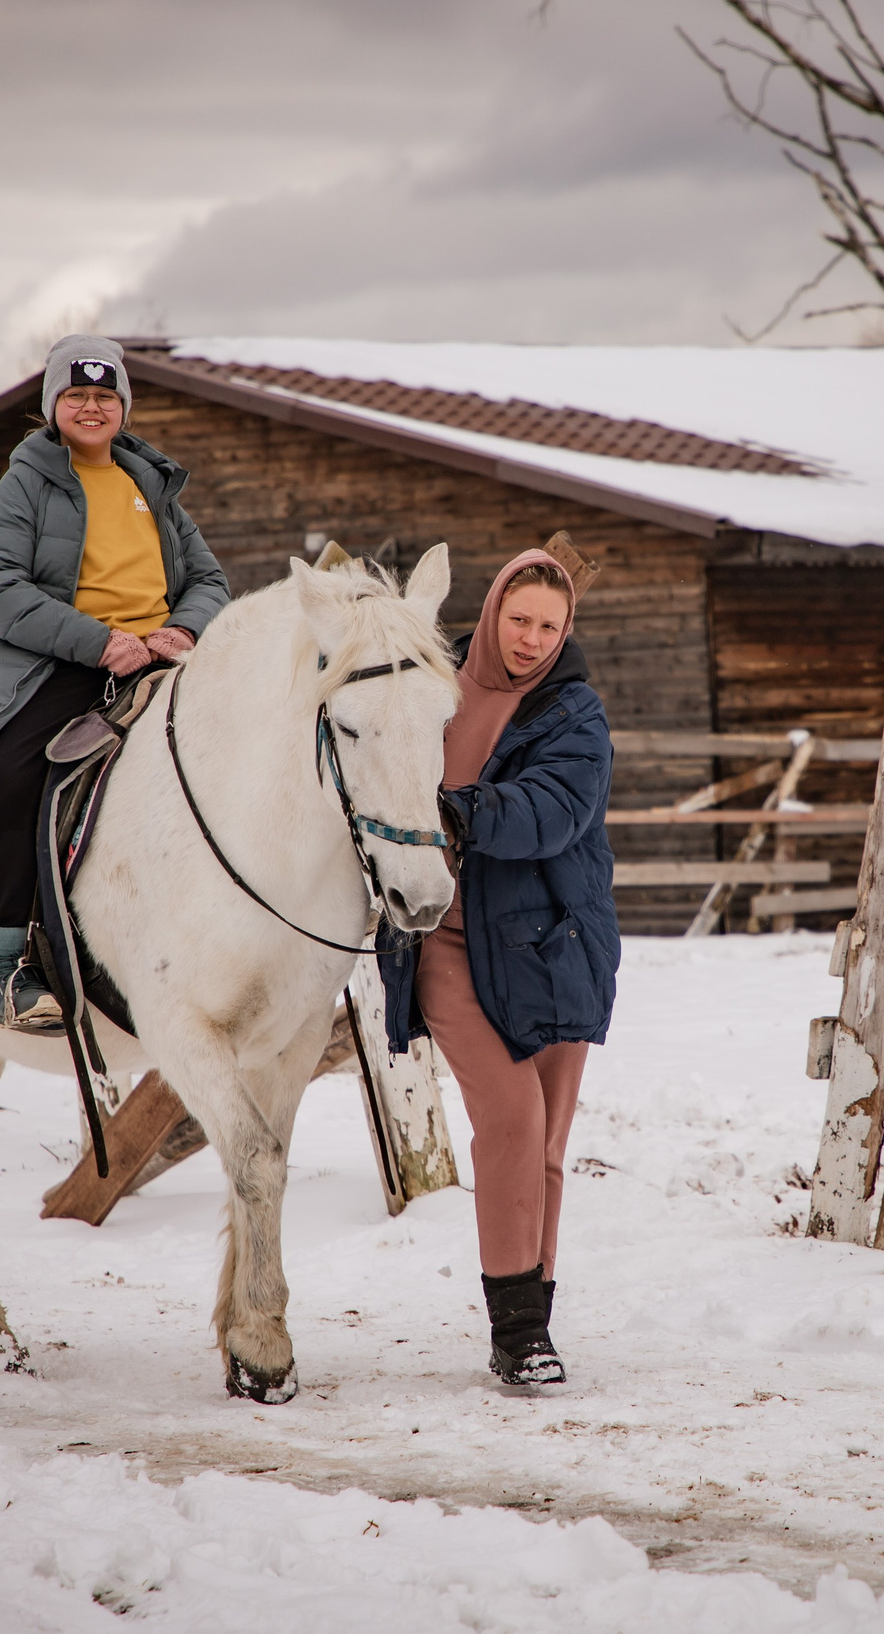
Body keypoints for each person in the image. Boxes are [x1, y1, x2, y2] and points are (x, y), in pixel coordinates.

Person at [380, 543, 619, 1387]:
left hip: (547, 941)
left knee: (546, 1144)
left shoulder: (572, 712)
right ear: (491, 612)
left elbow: (552, 811)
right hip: (443, 932)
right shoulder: (433, 687)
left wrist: (454, 810)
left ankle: (534, 1323)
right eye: (519, 619)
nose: (531, 639)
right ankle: (515, 1333)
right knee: (512, 1118)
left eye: (550, 626)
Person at [0, 334, 229, 1028]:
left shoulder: (151, 484)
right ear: (53, 406)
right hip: (59, 665)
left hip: (160, 660)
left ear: (122, 407)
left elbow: (209, 579)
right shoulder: (26, 481)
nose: (90, 407)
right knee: (14, 780)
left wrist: (185, 630)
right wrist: (98, 641)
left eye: (104, 395)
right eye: (76, 395)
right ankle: (6, 966)